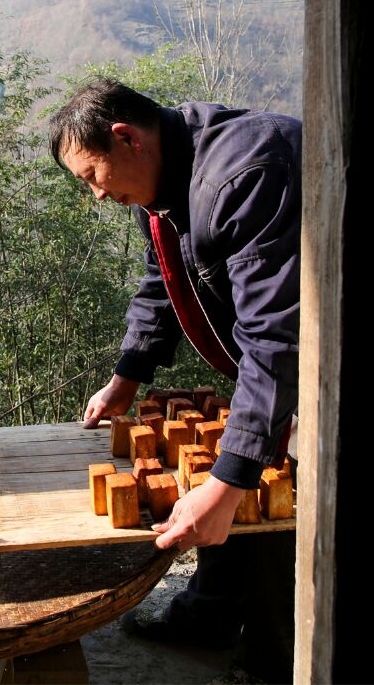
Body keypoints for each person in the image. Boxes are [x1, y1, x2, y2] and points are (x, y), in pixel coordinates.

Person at [47, 80, 300, 683]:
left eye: (91, 176)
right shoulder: (164, 190)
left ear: (125, 137)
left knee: (269, 490)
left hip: (337, 363)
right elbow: (161, 285)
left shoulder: (244, 174)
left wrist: (227, 485)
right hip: (276, 359)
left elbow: (276, 340)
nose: (97, 195)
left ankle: (273, 661)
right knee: (224, 462)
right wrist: (125, 380)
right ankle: (210, 614)